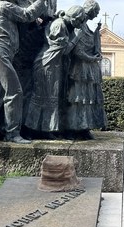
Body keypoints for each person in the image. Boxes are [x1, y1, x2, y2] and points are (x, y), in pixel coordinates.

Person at [0, 0, 46, 144]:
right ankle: (12, 133)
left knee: (2, 93)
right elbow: (27, 14)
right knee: (15, 92)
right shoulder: (4, 6)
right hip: (3, 53)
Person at [25, 5, 85, 138]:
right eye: (80, 20)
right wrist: (76, 37)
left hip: (52, 64)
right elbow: (64, 50)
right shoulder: (60, 25)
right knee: (42, 98)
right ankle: (34, 130)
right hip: (47, 64)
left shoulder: (60, 23)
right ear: (74, 18)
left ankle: (44, 129)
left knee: (48, 99)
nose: (80, 24)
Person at [66, 0, 107, 140]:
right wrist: (92, 59)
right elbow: (77, 51)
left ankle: (84, 127)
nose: (97, 14)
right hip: (80, 69)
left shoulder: (87, 27)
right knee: (78, 99)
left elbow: (93, 46)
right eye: (96, 11)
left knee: (89, 99)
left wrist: (97, 34)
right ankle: (73, 128)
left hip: (90, 69)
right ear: (90, 9)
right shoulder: (78, 26)